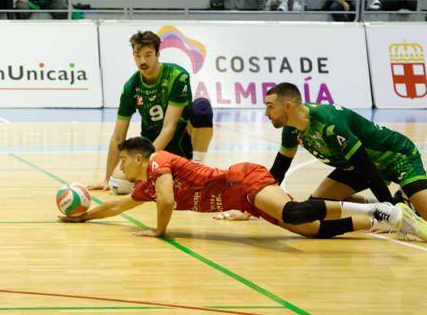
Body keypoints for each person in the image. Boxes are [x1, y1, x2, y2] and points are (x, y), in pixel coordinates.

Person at [67, 137, 424, 241]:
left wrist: (160, 230)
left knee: (292, 212)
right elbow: (116, 207)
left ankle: (379, 209)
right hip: (244, 200)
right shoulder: (146, 185)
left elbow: (168, 200)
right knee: (311, 230)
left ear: (139, 157)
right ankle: (381, 222)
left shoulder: (159, 160)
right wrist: (86, 216)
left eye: (123, 161)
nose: (121, 168)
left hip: (243, 179)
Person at [264, 82, 427, 223]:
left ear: (288, 106)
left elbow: (368, 169)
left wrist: (389, 212)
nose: (266, 113)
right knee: (320, 204)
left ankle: (395, 206)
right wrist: (252, 207)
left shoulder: (329, 123)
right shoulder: (291, 131)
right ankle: (402, 203)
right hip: (357, 166)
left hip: (396, 156)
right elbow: (279, 171)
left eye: (270, 107)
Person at [91, 30, 213, 195]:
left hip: (182, 141)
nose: (142, 61)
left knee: (202, 108)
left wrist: (144, 162)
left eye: (148, 55)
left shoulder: (177, 76)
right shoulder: (131, 87)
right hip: (152, 143)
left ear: (157, 54)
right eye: (137, 55)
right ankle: (162, 176)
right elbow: (118, 136)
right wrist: (107, 178)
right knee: (118, 184)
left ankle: (198, 171)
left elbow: (169, 128)